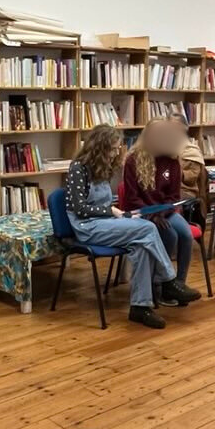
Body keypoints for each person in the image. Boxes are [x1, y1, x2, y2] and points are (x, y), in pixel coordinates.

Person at [64, 124, 182, 327]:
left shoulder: (102, 168)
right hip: (87, 227)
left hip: (105, 223)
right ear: (99, 147)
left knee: (141, 245)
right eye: (112, 149)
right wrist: (112, 212)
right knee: (148, 228)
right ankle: (168, 279)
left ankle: (140, 307)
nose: (115, 153)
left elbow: (105, 204)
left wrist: (126, 215)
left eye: (117, 148)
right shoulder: (78, 168)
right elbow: (79, 208)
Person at [120, 119, 202, 305]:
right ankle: (160, 283)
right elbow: (132, 198)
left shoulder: (172, 160)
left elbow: (173, 196)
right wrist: (151, 215)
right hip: (140, 212)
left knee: (186, 234)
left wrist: (161, 213)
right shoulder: (133, 159)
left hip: (165, 211)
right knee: (170, 235)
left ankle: (178, 285)